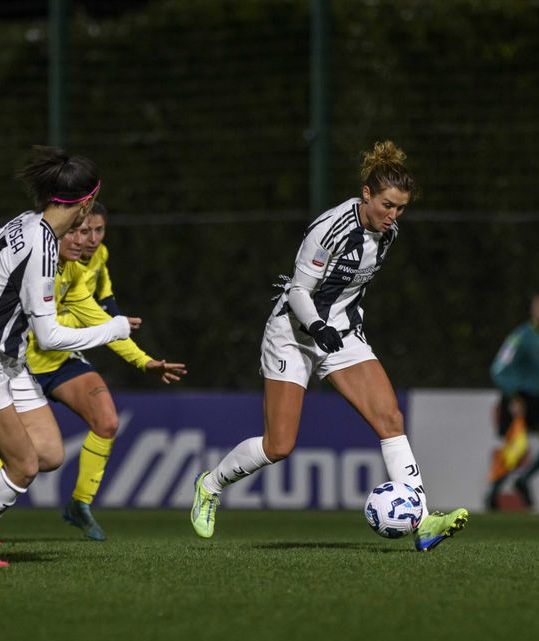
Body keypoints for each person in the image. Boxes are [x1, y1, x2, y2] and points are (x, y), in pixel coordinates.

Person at [190, 140, 469, 552]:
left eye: (402, 208)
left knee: (390, 418)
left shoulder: (387, 233)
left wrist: (337, 326)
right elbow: (299, 289)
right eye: (388, 205)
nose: (394, 216)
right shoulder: (330, 228)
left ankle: (424, 522)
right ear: (367, 194)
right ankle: (210, 485)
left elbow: (349, 288)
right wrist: (318, 325)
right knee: (279, 445)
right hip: (294, 333)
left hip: (341, 335)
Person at [0, 146, 138, 567]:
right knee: (21, 465)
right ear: (83, 203)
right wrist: (114, 327)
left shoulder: (26, 223)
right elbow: (50, 334)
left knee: (50, 456)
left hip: (8, 362)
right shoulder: (43, 250)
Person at [0, 214, 185, 542]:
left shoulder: (83, 264)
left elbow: (99, 315)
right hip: (10, 362)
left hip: (54, 359)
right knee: (20, 455)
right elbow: (43, 328)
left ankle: (78, 504)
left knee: (81, 434)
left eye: (96, 231)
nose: (87, 239)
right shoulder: (36, 252)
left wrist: (143, 361)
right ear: (59, 229)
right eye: (78, 231)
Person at [485, 293, 539, 510]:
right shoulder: (520, 337)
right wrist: (512, 396)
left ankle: (523, 480)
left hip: (538, 399)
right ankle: (492, 495)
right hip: (517, 398)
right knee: (516, 451)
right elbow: (498, 370)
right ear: (533, 312)